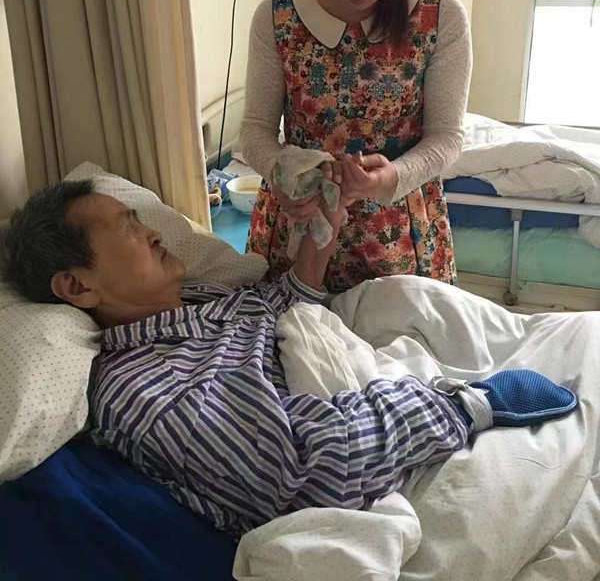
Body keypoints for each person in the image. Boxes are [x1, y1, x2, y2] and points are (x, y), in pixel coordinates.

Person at [2, 181, 577, 539]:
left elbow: (276, 306)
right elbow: (311, 474)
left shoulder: (194, 304)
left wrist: (322, 231)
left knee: (414, 298)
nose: (153, 232)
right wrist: (468, 405)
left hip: (366, 393)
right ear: (77, 286)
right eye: (127, 227)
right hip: (375, 456)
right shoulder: (149, 389)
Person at [240, 0, 473, 294]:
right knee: (285, 334)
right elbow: (254, 130)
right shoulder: (278, 15)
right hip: (298, 223)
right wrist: (280, 173)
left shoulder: (440, 16)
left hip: (397, 234)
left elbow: (447, 136)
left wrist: (391, 178)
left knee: (396, 339)